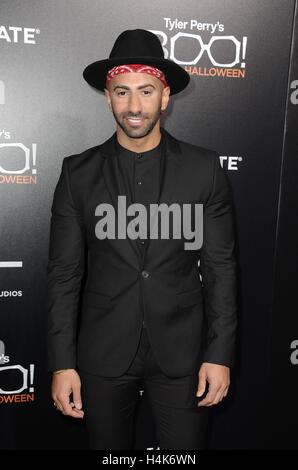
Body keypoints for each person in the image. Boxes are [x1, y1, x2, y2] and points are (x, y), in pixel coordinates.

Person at [46, 29, 237, 450]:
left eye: (146, 91)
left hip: (183, 353)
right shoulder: (77, 173)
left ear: (165, 97)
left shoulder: (204, 170)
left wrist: (219, 354)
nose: (134, 106)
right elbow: (63, 275)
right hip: (103, 351)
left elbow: (221, 270)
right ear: (108, 96)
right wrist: (62, 364)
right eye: (122, 92)